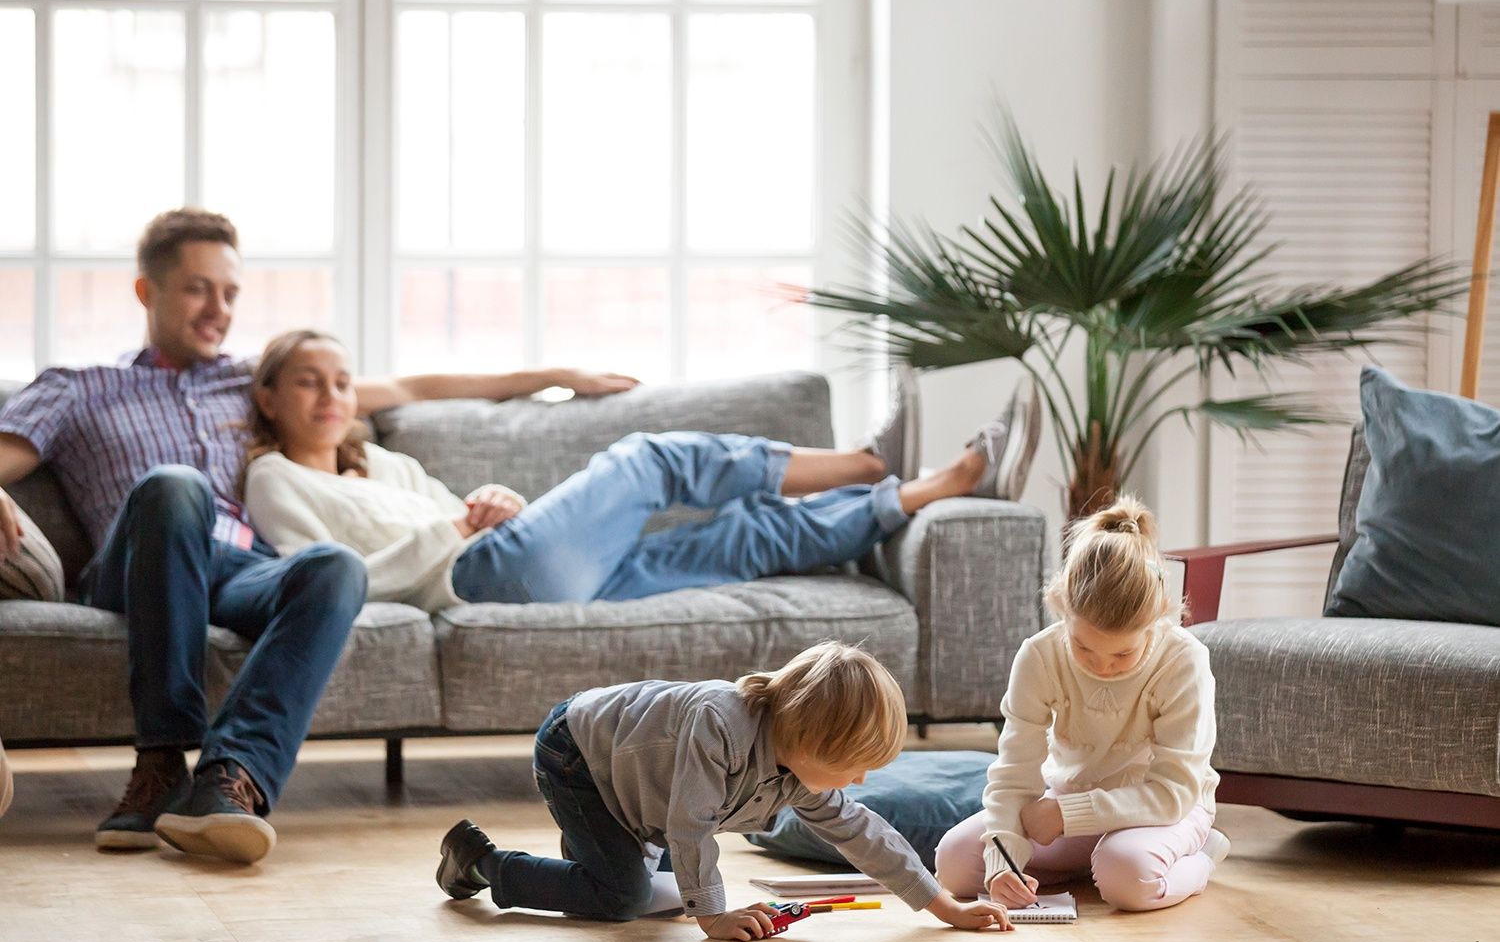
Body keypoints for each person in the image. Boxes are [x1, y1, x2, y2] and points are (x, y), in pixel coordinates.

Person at [0, 208, 637, 863]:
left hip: (237, 566)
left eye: (229, 292)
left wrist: (555, 376)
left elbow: (411, 387)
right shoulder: (79, 389)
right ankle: (161, 761)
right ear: (147, 291)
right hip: (139, 565)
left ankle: (229, 781)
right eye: (197, 288)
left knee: (332, 565)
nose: (217, 308)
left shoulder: (249, 382)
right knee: (176, 485)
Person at [238, 330, 1027, 610]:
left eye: (342, 381)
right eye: (309, 381)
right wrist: (455, 529)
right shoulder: (274, 480)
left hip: (518, 562)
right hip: (479, 577)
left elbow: (460, 507)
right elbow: (322, 581)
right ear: (269, 398)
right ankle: (864, 460)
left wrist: (493, 500)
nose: (332, 395)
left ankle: (928, 487)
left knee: (740, 538)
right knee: (649, 459)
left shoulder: (381, 462)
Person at [434, 642, 1014, 938]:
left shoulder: (800, 773)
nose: (858, 782)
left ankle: (595, 860)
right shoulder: (721, 723)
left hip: (639, 787)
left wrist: (945, 907)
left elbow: (864, 834)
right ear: (809, 741)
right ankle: (481, 862)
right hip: (579, 756)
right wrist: (713, 916)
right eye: (852, 767)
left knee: (656, 900)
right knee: (624, 900)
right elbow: (690, 826)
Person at [933, 496, 1230, 913]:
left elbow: (1173, 792)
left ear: (1159, 618)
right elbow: (1014, 774)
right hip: (1069, 804)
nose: (1102, 667)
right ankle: (1088, 863)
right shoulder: (1039, 655)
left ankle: (1197, 859)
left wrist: (1066, 815)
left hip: (1164, 811)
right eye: (1084, 648)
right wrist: (1004, 863)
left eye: (1122, 655)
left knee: (1128, 879)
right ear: (1061, 607)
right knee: (954, 865)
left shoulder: (1184, 661)